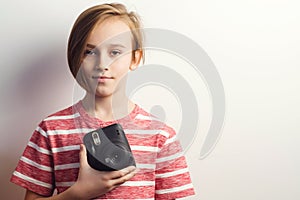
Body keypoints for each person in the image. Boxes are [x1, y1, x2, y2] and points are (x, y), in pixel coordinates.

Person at [11, 3, 195, 200]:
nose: (102, 64)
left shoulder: (160, 135)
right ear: (76, 57)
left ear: (135, 58)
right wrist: (78, 193)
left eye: (115, 52)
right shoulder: (51, 130)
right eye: (89, 52)